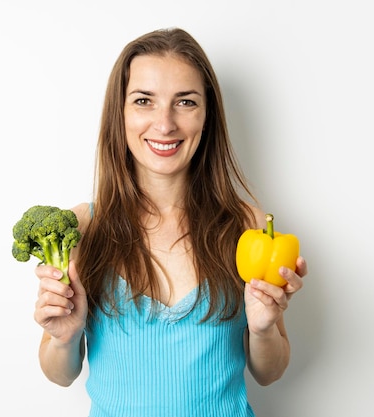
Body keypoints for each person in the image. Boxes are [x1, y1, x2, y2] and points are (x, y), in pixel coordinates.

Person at [32, 27, 307, 416]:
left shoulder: (248, 226)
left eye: (185, 102)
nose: (165, 124)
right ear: (120, 113)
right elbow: (60, 374)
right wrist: (64, 338)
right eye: (144, 100)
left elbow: (270, 372)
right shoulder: (81, 227)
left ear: (207, 115)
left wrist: (263, 329)